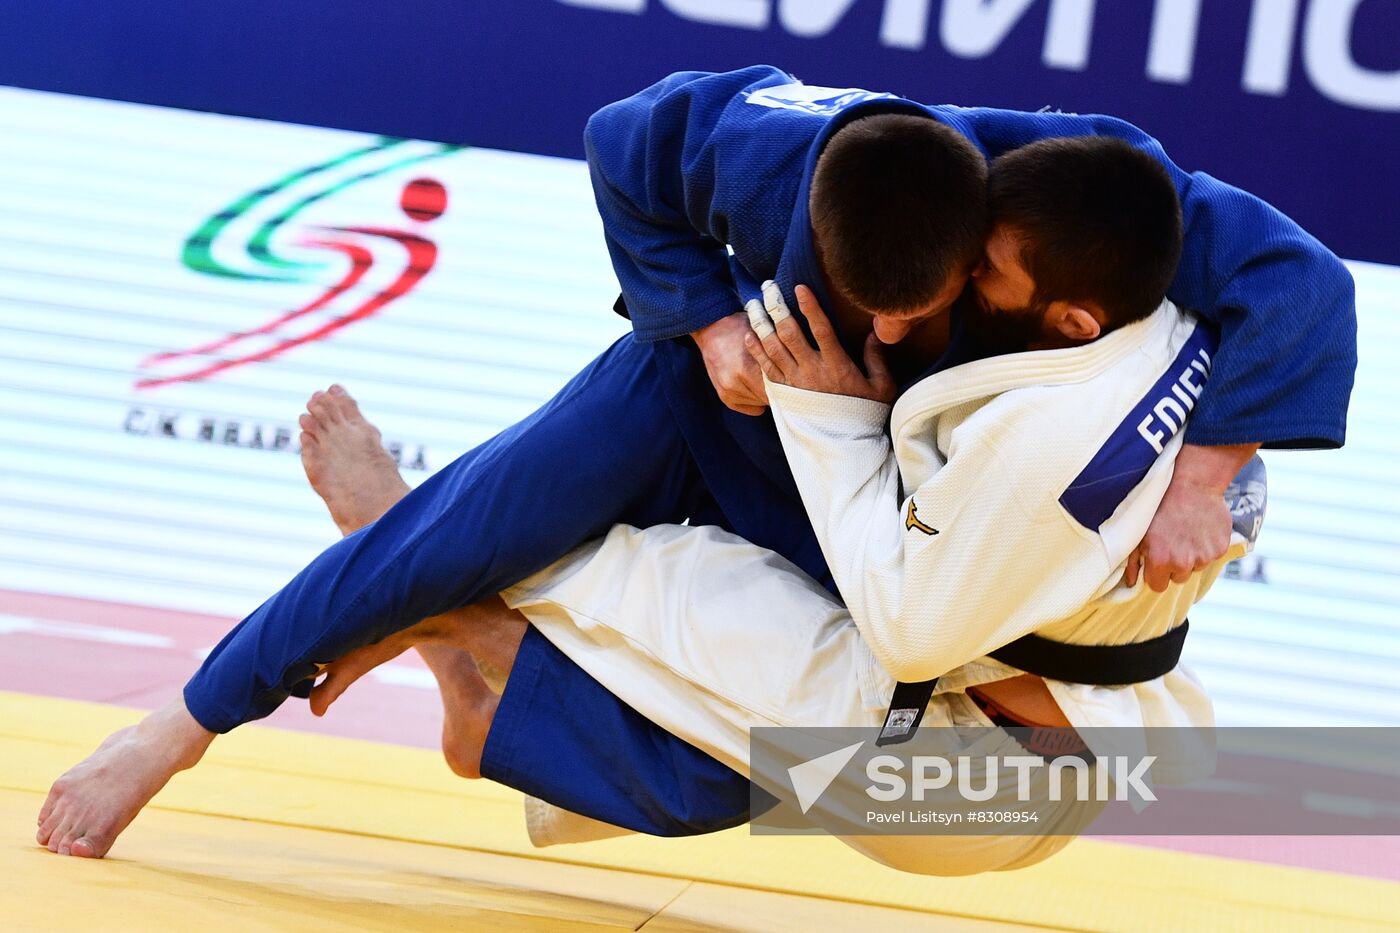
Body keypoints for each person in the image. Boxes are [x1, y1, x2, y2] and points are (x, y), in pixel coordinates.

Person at [36, 66, 1353, 858]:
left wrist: (1210, 457)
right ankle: (176, 728)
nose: (895, 331)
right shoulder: (765, 147)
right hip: (703, 393)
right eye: (870, 303)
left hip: (853, 476)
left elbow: (1297, 273)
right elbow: (622, 140)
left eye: (932, 305)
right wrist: (709, 317)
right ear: (801, 228)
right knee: (455, 528)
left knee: (718, 779)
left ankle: (463, 643)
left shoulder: (1052, 181)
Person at [304, 137, 1261, 874]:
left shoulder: (1054, 452)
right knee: (722, 717)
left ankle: (427, 585)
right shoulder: (1175, 380)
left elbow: (928, 645)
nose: (962, 276)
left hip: (962, 778)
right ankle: (475, 691)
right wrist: (1203, 478)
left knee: (678, 585)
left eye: (985, 268)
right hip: (1053, 770)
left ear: (1072, 316)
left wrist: (832, 421)